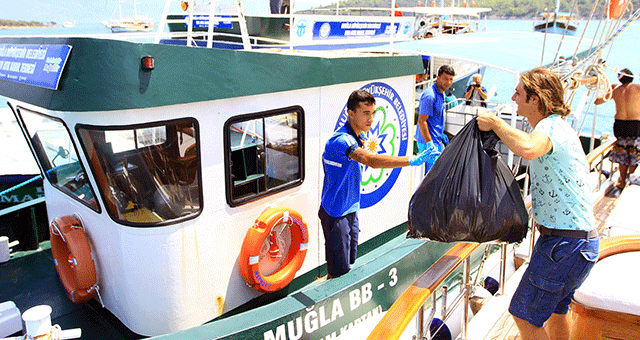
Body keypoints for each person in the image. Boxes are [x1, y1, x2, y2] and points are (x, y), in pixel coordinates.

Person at [477, 68, 599, 340]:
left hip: (564, 245)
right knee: (557, 310)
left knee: (524, 315)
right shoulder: (559, 127)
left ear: (535, 99)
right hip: (581, 242)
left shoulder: (549, 127)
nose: (513, 97)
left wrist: (496, 124)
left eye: (519, 93)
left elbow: (530, 148)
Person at [319, 89, 440, 278]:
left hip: (351, 208)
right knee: (337, 272)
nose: (371, 119)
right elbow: (372, 161)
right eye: (366, 113)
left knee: (350, 262)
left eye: (373, 113)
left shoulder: (360, 137)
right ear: (351, 114)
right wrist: (412, 160)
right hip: (336, 214)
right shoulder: (342, 141)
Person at [595, 68, 640, 190]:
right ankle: (630, 177)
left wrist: (610, 89)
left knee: (623, 153)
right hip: (635, 124)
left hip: (620, 125)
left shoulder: (616, 90)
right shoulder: (637, 88)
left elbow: (597, 101)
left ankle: (623, 181)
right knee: (634, 152)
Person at [415, 65, 455, 173]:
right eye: (445, 78)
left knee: (435, 175)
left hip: (436, 141)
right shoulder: (430, 96)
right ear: (438, 78)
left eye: (451, 79)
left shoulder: (441, 94)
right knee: (430, 178)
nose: (448, 82)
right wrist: (429, 143)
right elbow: (422, 121)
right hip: (427, 144)